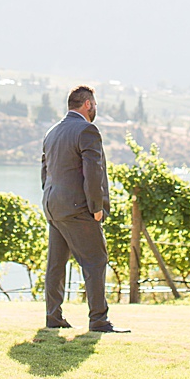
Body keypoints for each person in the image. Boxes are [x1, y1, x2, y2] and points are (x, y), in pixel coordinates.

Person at [40, 85, 127, 333]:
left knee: (56, 264)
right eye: (95, 104)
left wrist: (52, 198)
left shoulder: (52, 132)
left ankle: (53, 317)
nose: (96, 108)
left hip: (53, 206)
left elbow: (45, 173)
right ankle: (99, 320)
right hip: (78, 209)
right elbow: (93, 171)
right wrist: (96, 207)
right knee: (95, 261)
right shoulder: (87, 130)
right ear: (87, 104)